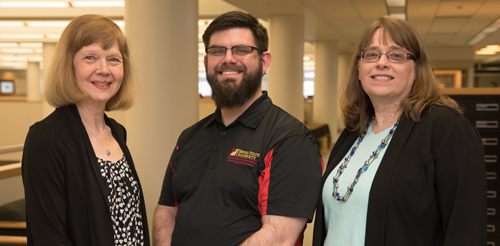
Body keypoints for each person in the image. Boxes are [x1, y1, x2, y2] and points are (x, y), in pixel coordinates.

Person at [313, 16, 486, 246]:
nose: (381, 62)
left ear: (416, 69)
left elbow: (466, 232)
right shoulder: (353, 132)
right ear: (359, 69)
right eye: (371, 54)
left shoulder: (446, 129)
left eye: (396, 55)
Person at [153, 11, 323, 246]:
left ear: (264, 61)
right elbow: (166, 211)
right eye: (217, 51)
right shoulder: (189, 136)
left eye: (241, 50)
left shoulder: (290, 139)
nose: (228, 59)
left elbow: (279, 237)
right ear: (206, 62)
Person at [22, 14, 150, 245]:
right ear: (68, 66)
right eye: (90, 57)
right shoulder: (46, 138)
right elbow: (48, 237)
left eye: (113, 59)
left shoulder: (117, 132)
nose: (104, 69)